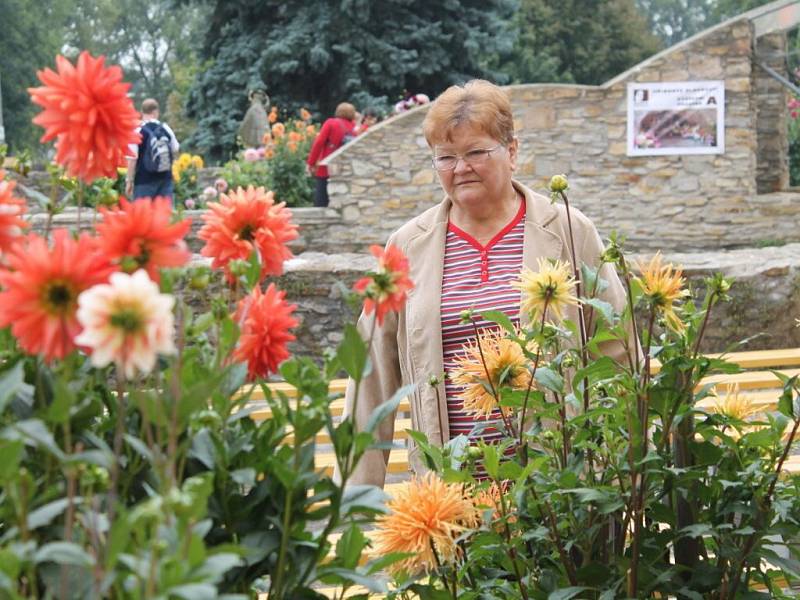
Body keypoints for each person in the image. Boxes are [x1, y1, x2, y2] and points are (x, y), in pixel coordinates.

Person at [343, 80, 632, 488]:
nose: (461, 168)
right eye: (445, 157)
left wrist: (618, 475)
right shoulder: (406, 246)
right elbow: (370, 379)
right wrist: (354, 500)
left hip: (557, 492)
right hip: (448, 490)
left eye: (476, 152)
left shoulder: (567, 230)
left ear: (512, 151)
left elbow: (617, 353)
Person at [126, 98, 180, 202]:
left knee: (143, 216)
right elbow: (175, 148)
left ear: (142, 112)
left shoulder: (138, 131)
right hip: (165, 179)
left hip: (143, 181)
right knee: (164, 216)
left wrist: (129, 181)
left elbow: (132, 159)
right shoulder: (165, 128)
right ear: (156, 112)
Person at [306, 102, 357, 207]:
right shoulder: (354, 128)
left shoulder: (331, 123)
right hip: (345, 170)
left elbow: (319, 143)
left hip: (326, 168)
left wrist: (311, 163)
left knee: (321, 203)